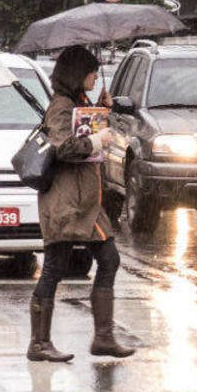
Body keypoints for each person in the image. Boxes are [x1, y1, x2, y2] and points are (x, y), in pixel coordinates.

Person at [28, 46, 133, 362]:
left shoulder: (79, 103)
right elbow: (63, 146)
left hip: (87, 201)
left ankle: (103, 337)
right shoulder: (61, 106)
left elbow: (87, 129)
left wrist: (101, 112)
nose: (94, 76)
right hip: (65, 201)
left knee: (109, 259)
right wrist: (94, 142)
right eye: (90, 71)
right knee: (55, 268)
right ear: (77, 74)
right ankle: (39, 343)